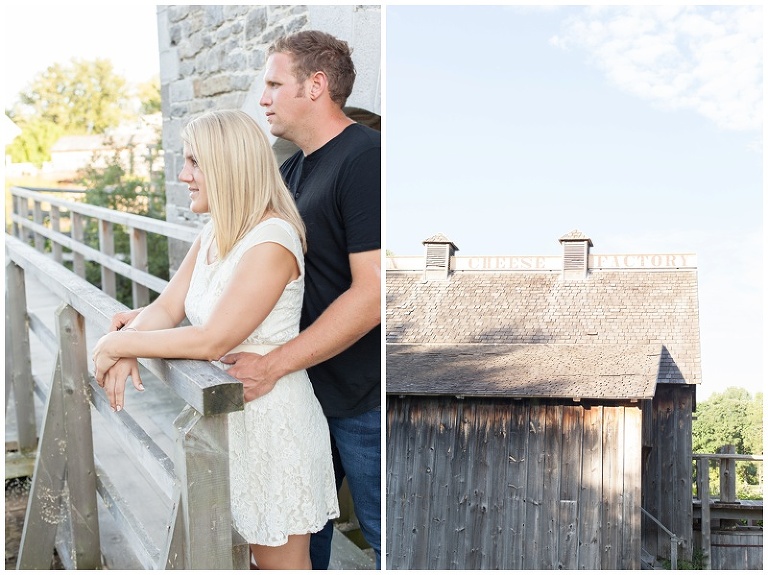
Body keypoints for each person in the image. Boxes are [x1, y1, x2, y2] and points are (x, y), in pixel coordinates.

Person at [93, 109, 339, 570]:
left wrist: (119, 345)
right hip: (227, 420)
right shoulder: (215, 232)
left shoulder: (271, 242)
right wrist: (133, 335)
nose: (183, 176)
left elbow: (212, 339)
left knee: (279, 566)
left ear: (228, 166)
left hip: (270, 425)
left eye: (194, 162)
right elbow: (167, 307)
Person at [227, 30, 382, 569]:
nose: (263, 98)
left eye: (274, 84)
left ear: (315, 86)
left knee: (390, 544)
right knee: (299, 543)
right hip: (304, 397)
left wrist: (272, 365)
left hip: (365, 401)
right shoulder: (290, 170)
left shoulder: (366, 159)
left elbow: (373, 292)